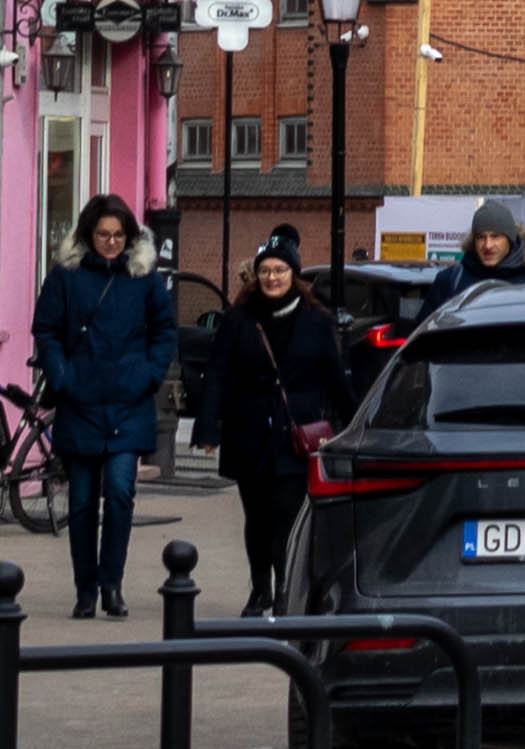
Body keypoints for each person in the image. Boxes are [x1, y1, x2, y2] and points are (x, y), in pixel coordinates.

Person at [34, 195, 179, 619]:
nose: (111, 242)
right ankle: (85, 589)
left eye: (118, 235)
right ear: (88, 234)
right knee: (81, 502)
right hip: (80, 400)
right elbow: (45, 329)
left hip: (128, 401)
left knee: (119, 493)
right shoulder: (66, 276)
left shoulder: (144, 276)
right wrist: (61, 376)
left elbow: (163, 330)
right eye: (103, 235)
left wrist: (149, 375)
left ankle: (111, 583)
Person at [203, 242, 355, 609]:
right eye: (266, 271)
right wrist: (208, 427)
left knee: (285, 516)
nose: (272, 277)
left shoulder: (316, 321)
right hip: (248, 431)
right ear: (257, 275)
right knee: (256, 518)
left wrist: (354, 425)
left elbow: (335, 378)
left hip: (297, 435)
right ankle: (260, 589)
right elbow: (217, 375)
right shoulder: (239, 320)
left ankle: (286, 587)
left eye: (280, 270)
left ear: (294, 275)